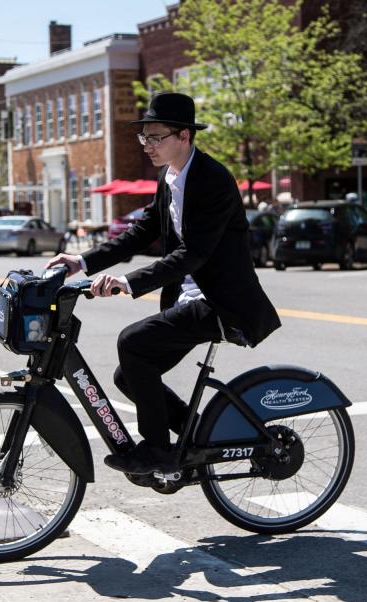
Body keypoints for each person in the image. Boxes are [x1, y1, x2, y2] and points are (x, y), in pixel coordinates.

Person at [45, 92, 281, 475]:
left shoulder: (212, 179)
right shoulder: (169, 177)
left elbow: (193, 255)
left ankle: (158, 450)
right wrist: (82, 261)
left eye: (156, 137)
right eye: (145, 137)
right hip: (190, 298)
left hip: (221, 300)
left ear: (184, 135)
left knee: (132, 343)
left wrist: (126, 281)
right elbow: (141, 233)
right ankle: (204, 433)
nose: (147, 145)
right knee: (130, 375)